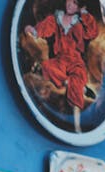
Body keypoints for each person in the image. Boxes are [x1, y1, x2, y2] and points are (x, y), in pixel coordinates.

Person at [25, 0, 99, 131]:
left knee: (76, 80)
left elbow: (92, 32)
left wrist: (85, 14)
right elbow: (45, 28)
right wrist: (34, 30)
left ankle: (76, 125)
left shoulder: (80, 22)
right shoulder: (56, 18)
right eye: (69, 1)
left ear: (80, 7)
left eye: (75, 3)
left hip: (75, 60)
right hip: (60, 59)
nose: (70, 5)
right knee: (48, 67)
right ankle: (73, 85)